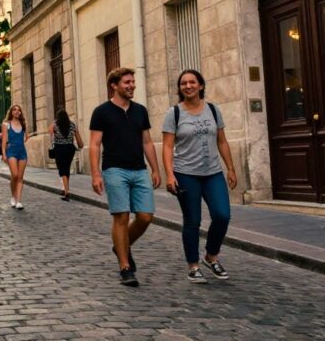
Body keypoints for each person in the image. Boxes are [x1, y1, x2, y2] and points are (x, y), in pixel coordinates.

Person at [89, 67, 161, 287]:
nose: (132, 86)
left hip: (139, 169)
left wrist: (155, 169)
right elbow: (94, 144)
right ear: (114, 85)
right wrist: (95, 174)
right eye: (127, 82)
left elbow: (147, 141)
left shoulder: (140, 111)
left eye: (132, 82)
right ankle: (125, 267)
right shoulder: (101, 112)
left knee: (145, 217)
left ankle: (121, 245)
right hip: (114, 170)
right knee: (121, 217)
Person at [162, 69, 237, 284]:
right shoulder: (174, 113)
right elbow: (167, 146)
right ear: (180, 88)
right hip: (186, 173)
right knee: (192, 220)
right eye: (183, 83)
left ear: (201, 85)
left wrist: (230, 168)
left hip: (213, 172)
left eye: (192, 82)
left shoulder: (213, 110)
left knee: (222, 215)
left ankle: (211, 256)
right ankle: (193, 266)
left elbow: (222, 140)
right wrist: (169, 174)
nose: (188, 86)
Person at [49, 108, 84, 201]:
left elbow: (51, 138)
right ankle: (65, 188)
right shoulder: (72, 125)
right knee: (67, 168)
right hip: (70, 149)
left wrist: (53, 144)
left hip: (59, 148)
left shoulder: (54, 125)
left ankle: (67, 191)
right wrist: (80, 145)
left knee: (62, 169)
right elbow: (78, 137)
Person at [1, 104, 29, 209]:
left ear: (20, 112)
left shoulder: (23, 124)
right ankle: (13, 196)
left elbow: (27, 137)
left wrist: (22, 142)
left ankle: (18, 201)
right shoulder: (6, 124)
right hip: (11, 151)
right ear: (11, 112)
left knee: (20, 177)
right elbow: (4, 140)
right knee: (15, 175)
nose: (17, 112)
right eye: (14, 110)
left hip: (22, 152)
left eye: (18, 110)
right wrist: (4, 154)